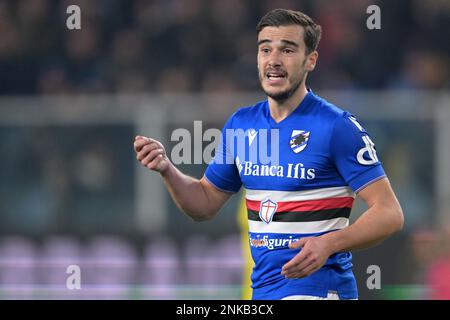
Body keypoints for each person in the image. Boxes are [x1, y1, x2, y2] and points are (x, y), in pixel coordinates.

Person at [133, 9, 404, 300]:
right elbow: (205, 202)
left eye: (287, 49)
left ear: (310, 60)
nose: (274, 59)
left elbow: (389, 213)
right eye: (266, 49)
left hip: (318, 290)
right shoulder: (242, 124)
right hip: (263, 292)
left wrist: (329, 243)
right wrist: (167, 169)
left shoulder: (336, 126)